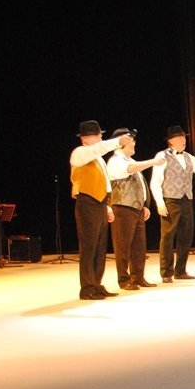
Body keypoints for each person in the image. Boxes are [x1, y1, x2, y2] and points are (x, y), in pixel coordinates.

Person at [149, 125, 195, 282]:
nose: (184, 140)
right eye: (180, 137)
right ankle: (166, 273)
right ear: (171, 141)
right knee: (168, 236)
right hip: (170, 199)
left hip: (186, 199)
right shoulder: (162, 156)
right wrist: (160, 202)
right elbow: (155, 181)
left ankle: (180, 270)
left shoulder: (189, 157)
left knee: (186, 236)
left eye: (184, 137)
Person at [69, 120, 132, 300]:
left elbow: (105, 184)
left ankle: (96, 284)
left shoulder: (99, 160)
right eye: (97, 135)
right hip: (86, 202)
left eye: (100, 135)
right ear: (85, 139)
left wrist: (107, 207)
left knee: (100, 247)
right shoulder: (79, 153)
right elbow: (97, 150)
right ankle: (87, 287)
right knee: (89, 247)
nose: (100, 138)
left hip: (99, 204)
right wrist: (117, 142)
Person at [105, 128, 164, 290]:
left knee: (139, 246)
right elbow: (129, 169)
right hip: (122, 207)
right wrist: (153, 162)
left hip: (136, 209)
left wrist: (144, 205)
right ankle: (124, 279)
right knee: (123, 246)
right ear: (120, 143)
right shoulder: (116, 161)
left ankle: (137, 277)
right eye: (130, 140)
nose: (134, 143)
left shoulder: (130, 160)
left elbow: (140, 185)